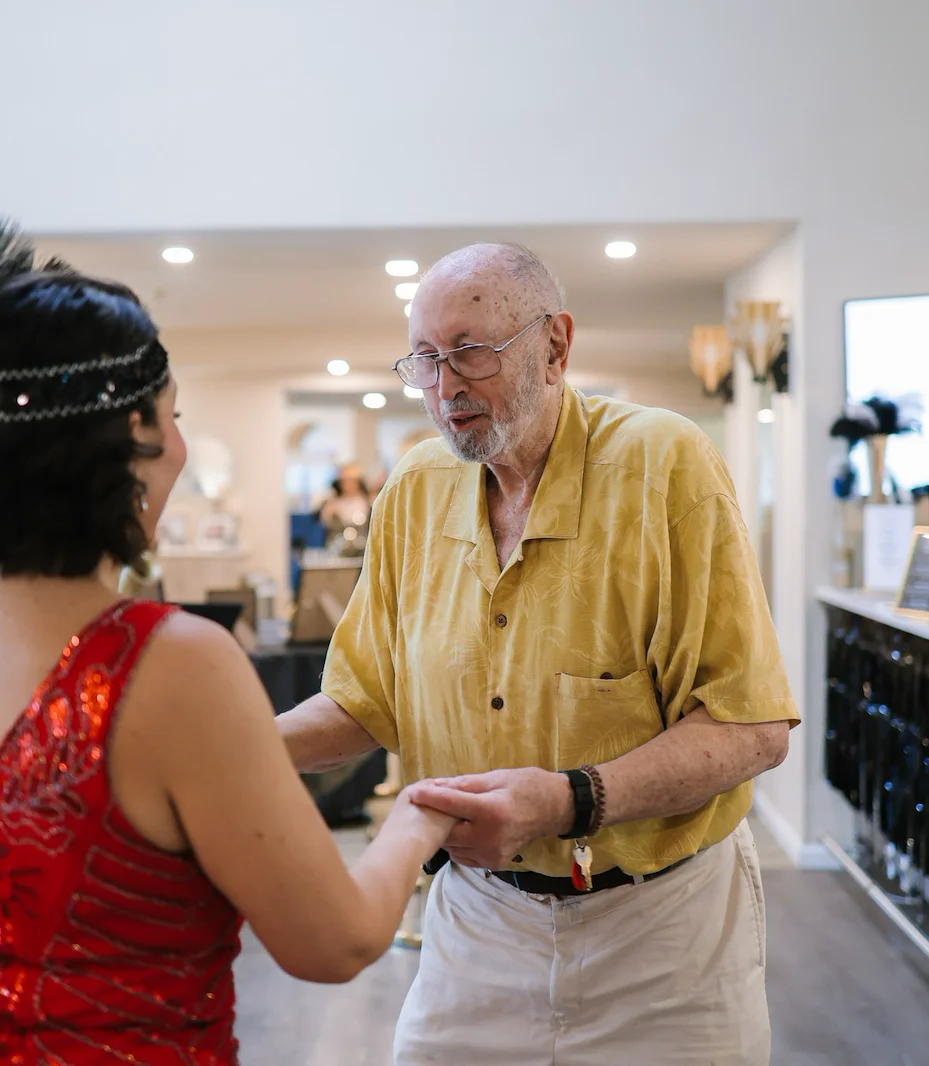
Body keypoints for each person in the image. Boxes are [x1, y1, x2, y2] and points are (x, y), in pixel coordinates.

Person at [0, 220, 456, 1065]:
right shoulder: (170, 660)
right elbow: (333, 943)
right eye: (174, 415)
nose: (181, 444)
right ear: (136, 435)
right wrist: (417, 812)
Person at [276, 243, 799, 1065]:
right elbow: (363, 702)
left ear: (555, 346)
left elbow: (751, 728)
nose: (445, 386)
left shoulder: (664, 466)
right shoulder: (414, 489)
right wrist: (234, 754)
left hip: (663, 937)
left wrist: (566, 801)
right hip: (477, 923)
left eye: (471, 351)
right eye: (425, 359)